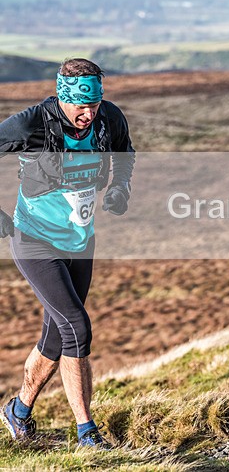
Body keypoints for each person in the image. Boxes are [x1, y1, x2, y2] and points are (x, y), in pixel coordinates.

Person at [0, 58, 134, 447]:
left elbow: (125, 153)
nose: (88, 113)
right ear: (62, 97)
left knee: (57, 338)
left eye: (94, 103)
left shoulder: (109, 118)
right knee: (77, 326)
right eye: (80, 106)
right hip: (34, 239)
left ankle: (18, 410)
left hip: (80, 241)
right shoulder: (30, 124)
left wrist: (120, 188)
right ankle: (87, 432)